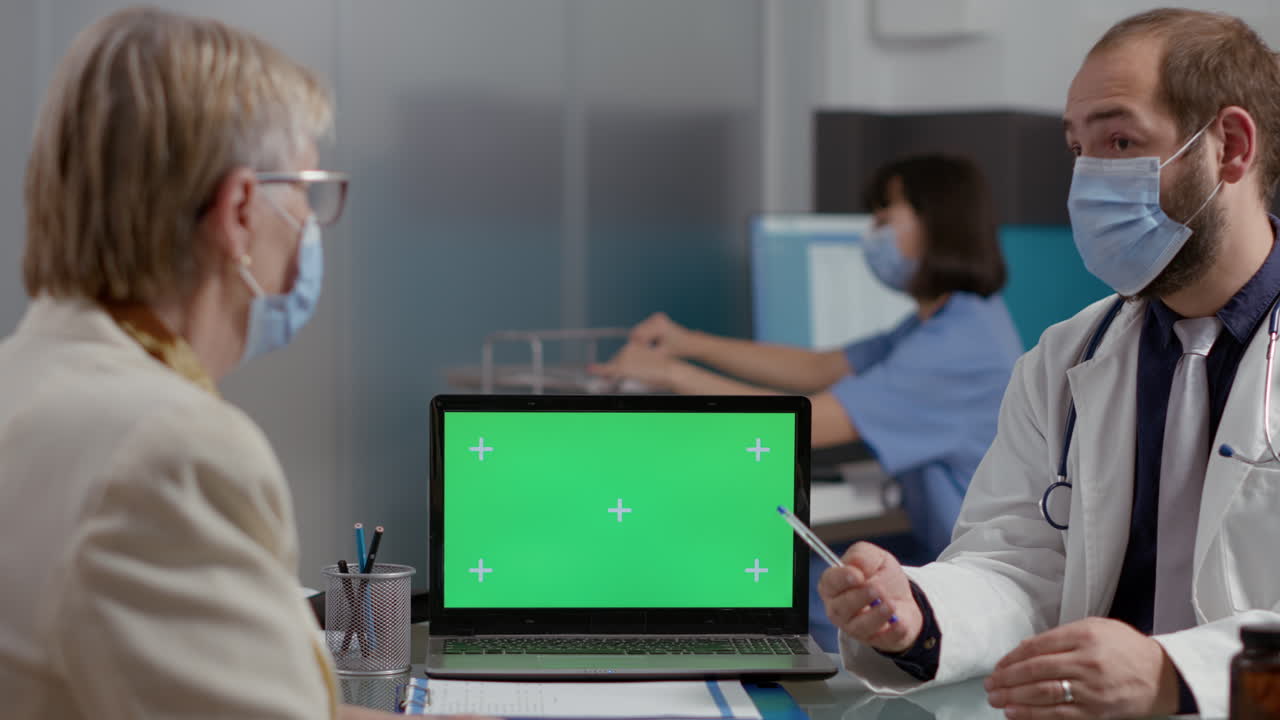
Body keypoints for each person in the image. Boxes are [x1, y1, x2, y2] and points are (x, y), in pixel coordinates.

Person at [817, 8, 1280, 720]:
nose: (1091, 181)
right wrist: (921, 612)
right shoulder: (1065, 360)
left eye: (1121, 140)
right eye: (1078, 148)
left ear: (1232, 146)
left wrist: (1174, 675)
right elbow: (1015, 565)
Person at [0, 8, 408, 720]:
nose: (311, 228)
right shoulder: (167, 452)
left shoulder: (27, 383)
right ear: (241, 210)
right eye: (306, 193)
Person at [591, 154, 1024, 565]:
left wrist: (671, 374)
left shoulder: (954, 347)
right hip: (948, 553)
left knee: (795, 599)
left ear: (937, 223)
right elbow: (817, 369)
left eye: (884, 217)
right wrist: (691, 344)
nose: (872, 233)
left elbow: (804, 422)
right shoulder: (952, 319)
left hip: (968, 577)